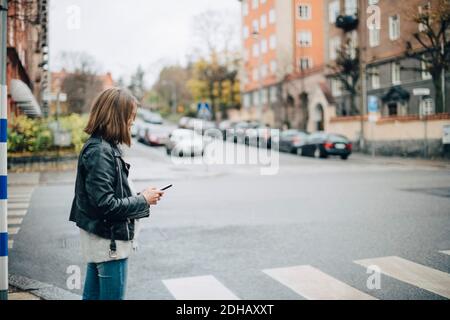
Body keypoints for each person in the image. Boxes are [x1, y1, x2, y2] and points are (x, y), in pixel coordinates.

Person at [69, 87, 164, 300]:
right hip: (109, 243)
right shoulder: (101, 151)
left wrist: (142, 195)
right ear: (117, 116)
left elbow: (108, 196)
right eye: (130, 116)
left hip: (102, 241)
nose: (132, 122)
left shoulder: (103, 147)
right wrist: (143, 200)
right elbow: (106, 205)